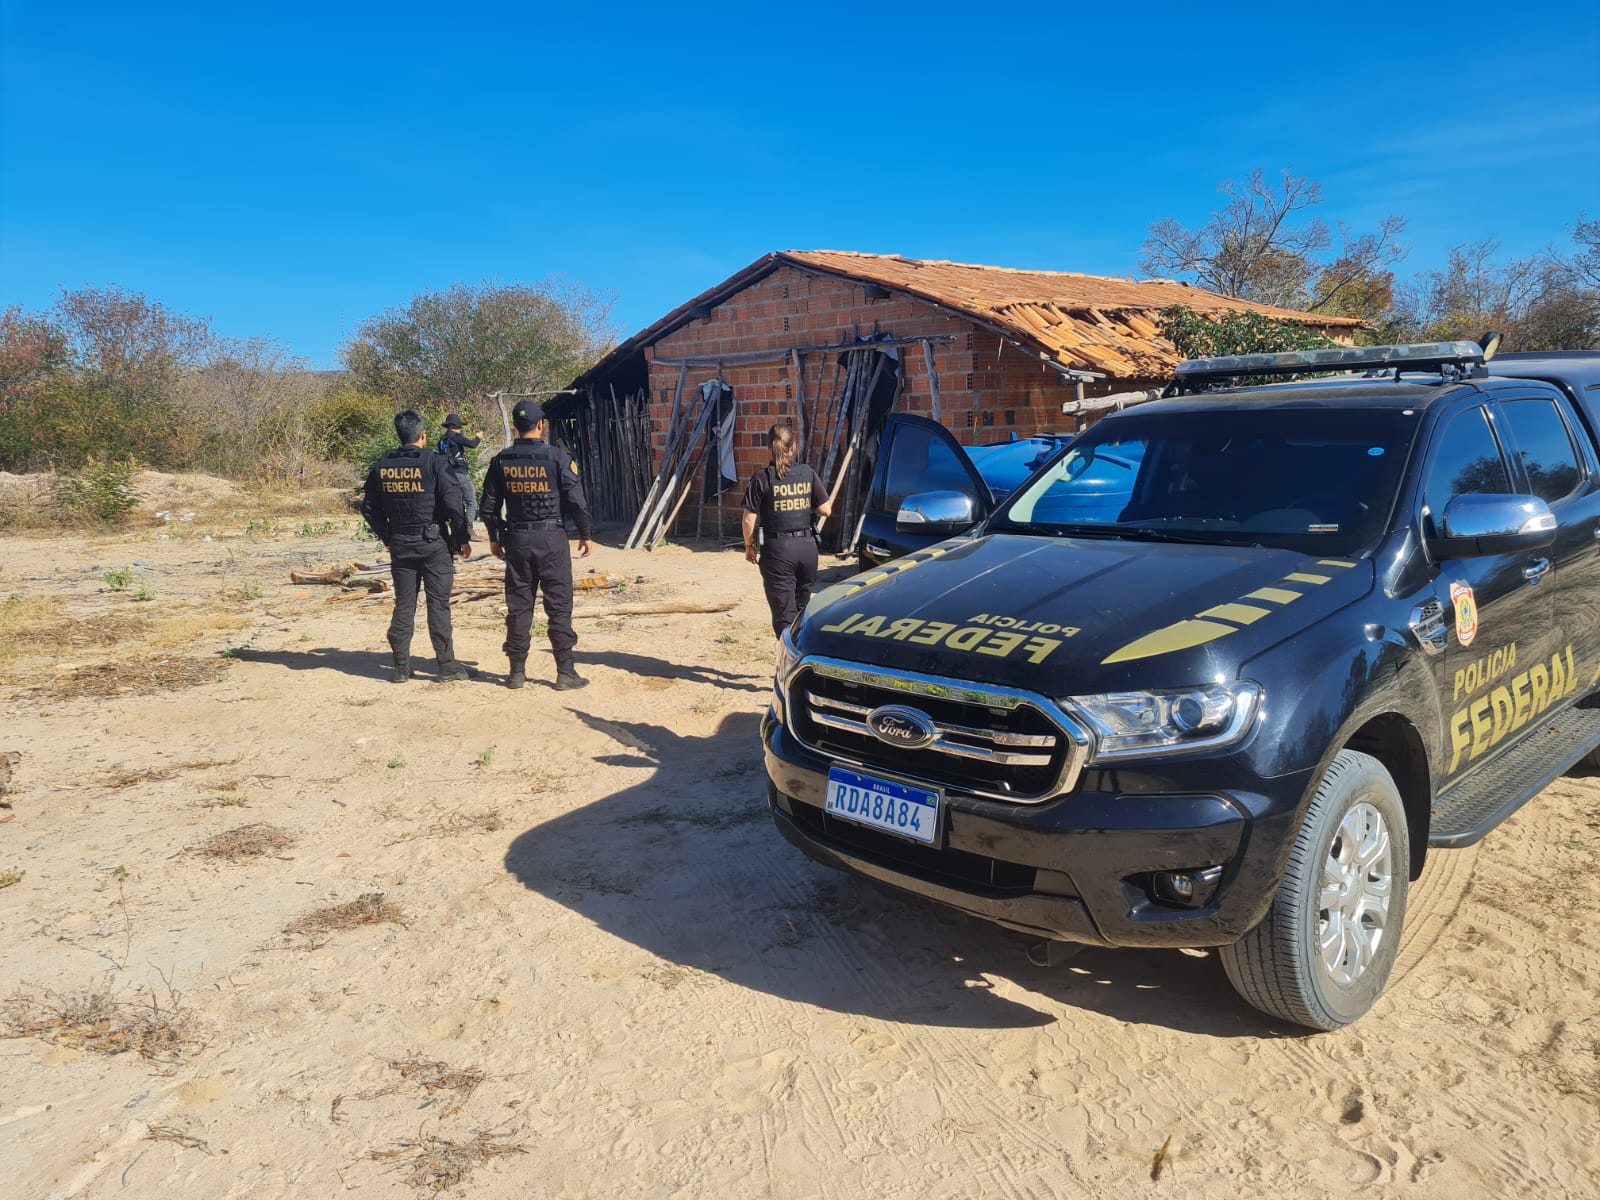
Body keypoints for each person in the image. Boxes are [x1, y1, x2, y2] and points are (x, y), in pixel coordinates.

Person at [479, 400, 594, 690]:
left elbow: (489, 507)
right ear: (541, 425)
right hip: (551, 539)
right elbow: (577, 501)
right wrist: (585, 533)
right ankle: (565, 672)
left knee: (519, 606)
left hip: (517, 539)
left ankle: (516, 672)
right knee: (558, 605)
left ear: (516, 427)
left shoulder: (501, 460)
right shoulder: (557, 457)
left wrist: (494, 538)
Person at [360, 409, 474, 683]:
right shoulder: (434, 463)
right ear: (423, 434)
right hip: (433, 543)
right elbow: (454, 504)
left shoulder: (382, 465)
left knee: (405, 604)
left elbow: (369, 507)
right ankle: (446, 666)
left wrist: (387, 537)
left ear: (399, 435)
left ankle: (400, 667)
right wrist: (462, 540)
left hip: (401, 543)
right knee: (438, 604)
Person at [743, 424, 831, 637]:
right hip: (807, 549)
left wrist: (749, 547)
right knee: (802, 612)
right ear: (793, 448)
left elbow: (748, 520)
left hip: (778, 552)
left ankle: (787, 665)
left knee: (785, 617)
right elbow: (825, 510)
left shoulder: (762, 478)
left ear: (769, 449)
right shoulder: (807, 473)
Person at [437, 414, 483, 527]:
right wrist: (478, 438)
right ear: (453, 425)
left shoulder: (442, 440)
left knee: (456, 503)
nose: (460, 428)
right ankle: (469, 528)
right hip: (460, 473)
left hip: (447, 475)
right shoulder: (456, 437)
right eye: (459, 426)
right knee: (471, 501)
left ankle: (456, 527)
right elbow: (472, 444)